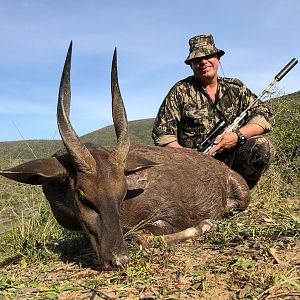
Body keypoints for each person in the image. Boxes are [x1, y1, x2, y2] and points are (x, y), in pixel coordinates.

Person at [152, 33, 274, 189]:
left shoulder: (235, 88)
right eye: (197, 59)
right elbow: (163, 135)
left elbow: (265, 115)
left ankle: (238, 196)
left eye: (208, 56)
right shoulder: (180, 91)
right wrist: (190, 159)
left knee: (262, 146)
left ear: (218, 58)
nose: (203, 62)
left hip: (230, 157)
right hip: (192, 166)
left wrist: (238, 136)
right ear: (191, 64)